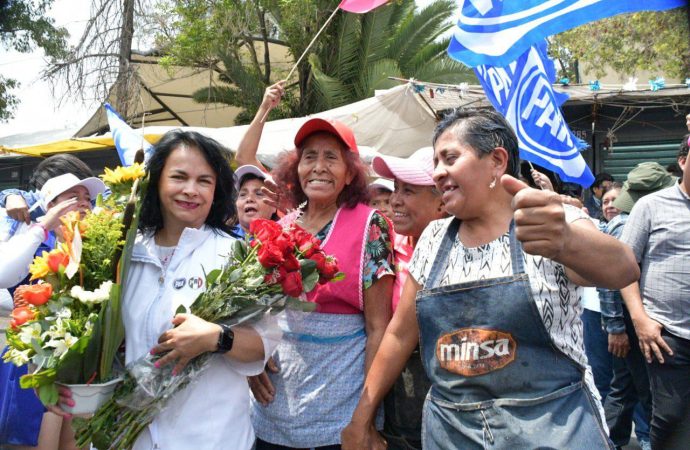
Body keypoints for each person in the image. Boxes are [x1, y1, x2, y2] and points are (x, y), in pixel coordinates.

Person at [341, 108, 639, 450]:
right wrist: (360, 419)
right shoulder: (434, 239)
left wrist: (567, 242)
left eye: (450, 158)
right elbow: (399, 333)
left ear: (497, 161)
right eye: (436, 162)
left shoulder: (551, 222)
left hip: (554, 428)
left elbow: (624, 269)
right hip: (453, 432)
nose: (438, 173)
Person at [47, 130, 280, 449]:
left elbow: (263, 343)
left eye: (204, 181)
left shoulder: (235, 255)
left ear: (217, 190)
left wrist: (216, 337)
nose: (190, 190)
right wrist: (61, 380)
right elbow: (89, 336)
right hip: (127, 436)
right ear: (156, 182)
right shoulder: (120, 253)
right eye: (179, 177)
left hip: (210, 437)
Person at [239, 87, 394, 448]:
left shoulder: (371, 225)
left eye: (331, 158)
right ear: (296, 168)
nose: (319, 167)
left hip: (339, 412)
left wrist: (366, 418)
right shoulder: (283, 225)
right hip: (274, 409)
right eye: (309, 157)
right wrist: (252, 362)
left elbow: (378, 328)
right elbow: (260, 312)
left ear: (349, 172)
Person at [1, 172, 107, 450]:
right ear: (50, 205)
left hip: (79, 371)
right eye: (73, 197)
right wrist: (43, 225)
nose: (84, 203)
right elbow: (3, 275)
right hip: (35, 366)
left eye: (87, 198)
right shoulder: (34, 242)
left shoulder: (98, 250)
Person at [370, 146, 446, 450]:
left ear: (443, 200)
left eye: (409, 191)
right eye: (396, 189)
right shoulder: (383, 245)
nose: (395, 200)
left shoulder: (466, 248)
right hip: (400, 399)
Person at [618, 155, 690, 449]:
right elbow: (622, 269)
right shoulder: (650, 206)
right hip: (668, 333)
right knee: (671, 417)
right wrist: (640, 320)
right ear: (683, 161)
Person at [598, 181, 652, 450]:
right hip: (631, 323)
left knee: (624, 386)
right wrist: (616, 326)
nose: (611, 206)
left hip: (631, 321)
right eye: (605, 200)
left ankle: (611, 442)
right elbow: (610, 279)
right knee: (646, 390)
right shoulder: (623, 225)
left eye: (615, 200)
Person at [231, 164, 279, 239]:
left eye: (259, 194)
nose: (249, 199)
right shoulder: (221, 239)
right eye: (243, 195)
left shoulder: (288, 240)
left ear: (274, 206)